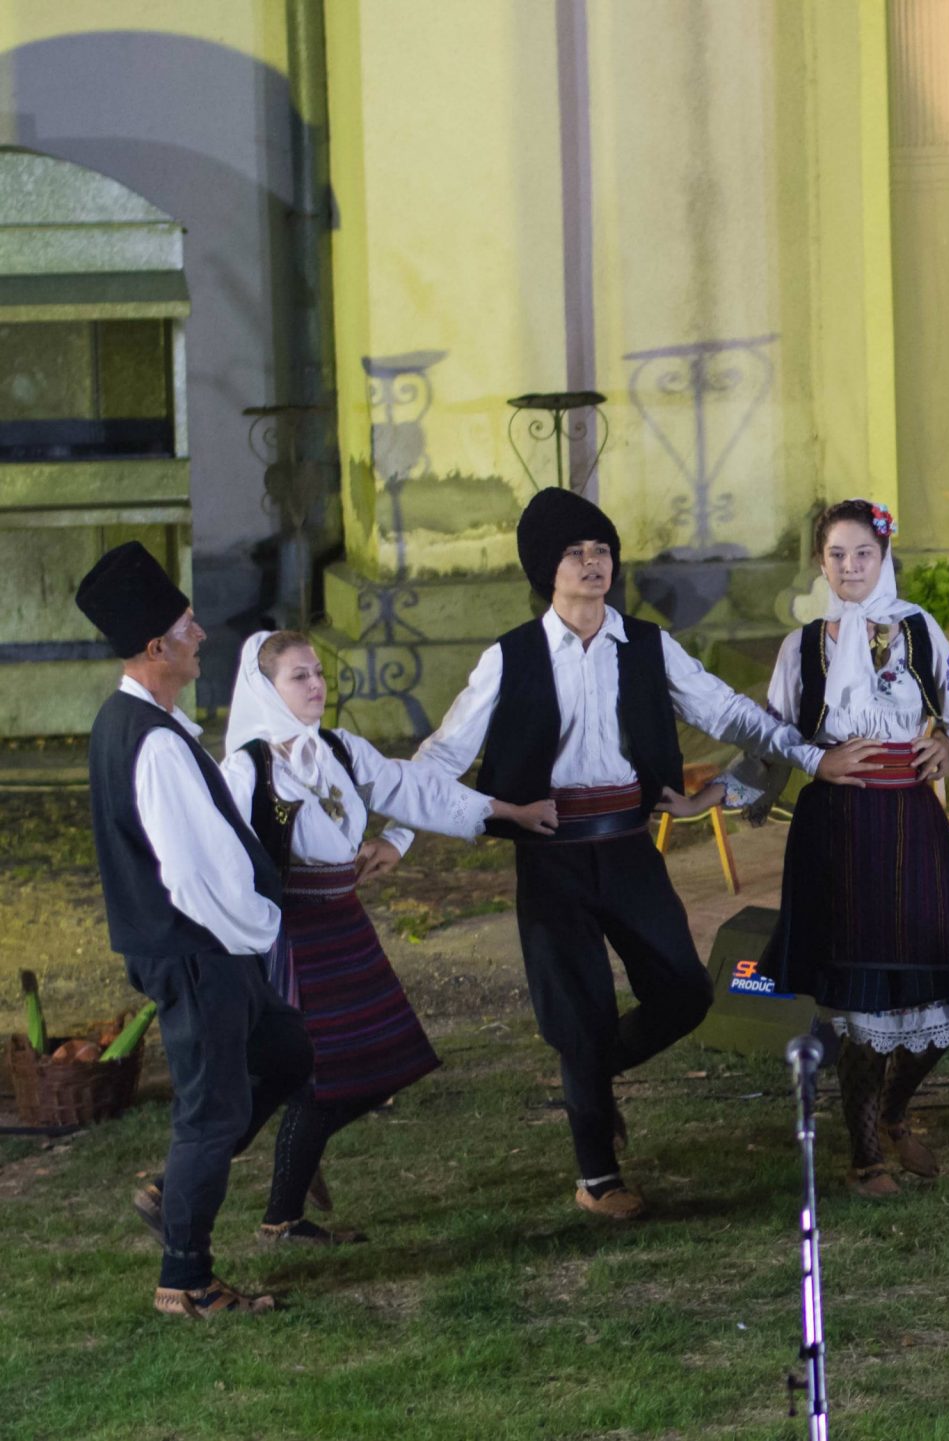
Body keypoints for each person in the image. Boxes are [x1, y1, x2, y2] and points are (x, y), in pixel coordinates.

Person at [411, 487, 814, 1219]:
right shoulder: (511, 657)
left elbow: (724, 709)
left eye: (601, 549)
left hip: (628, 844)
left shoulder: (648, 643)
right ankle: (596, 1177)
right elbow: (445, 751)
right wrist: (396, 832)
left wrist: (801, 755)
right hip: (550, 850)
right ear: (546, 567)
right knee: (581, 1012)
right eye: (575, 552)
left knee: (686, 992)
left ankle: (589, 1085)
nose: (593, 563)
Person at [219, 630, 559, 1243]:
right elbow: (221, 863)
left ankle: (284, 1202)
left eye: (319, 671)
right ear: (263, 688)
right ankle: (221, 1198)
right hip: (290, 934)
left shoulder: (340, 750)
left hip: (342, 920)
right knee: (307, 1075)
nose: (317, 684)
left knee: (380, 1062)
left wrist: (506, 812)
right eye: (299, 676)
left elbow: (415, 789)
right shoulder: (246, 770)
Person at [76, 542, 311, 1317]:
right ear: (155, 648)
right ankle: (186, 1278)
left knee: (286, 1053)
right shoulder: (151, 742)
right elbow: (194, 874)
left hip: (204, 949)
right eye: (187, 624)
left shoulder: (136, 721)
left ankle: (171, 1191)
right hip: (200, 950)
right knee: (210, 1113)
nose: (201, 632)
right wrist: (264, 923)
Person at [734, 499, 949, 1197]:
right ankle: (866, 1153)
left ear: (884, 557)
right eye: (837, 555)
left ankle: (898, 1112)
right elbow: (773, 733)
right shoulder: (802, 646)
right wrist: (731, 794)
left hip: (911, 819)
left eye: (863, 554)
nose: (850, 567)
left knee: (940, 969)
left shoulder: (920, 631)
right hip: (837, 828)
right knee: (860, 994)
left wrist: (943, 739)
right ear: (821, 563)